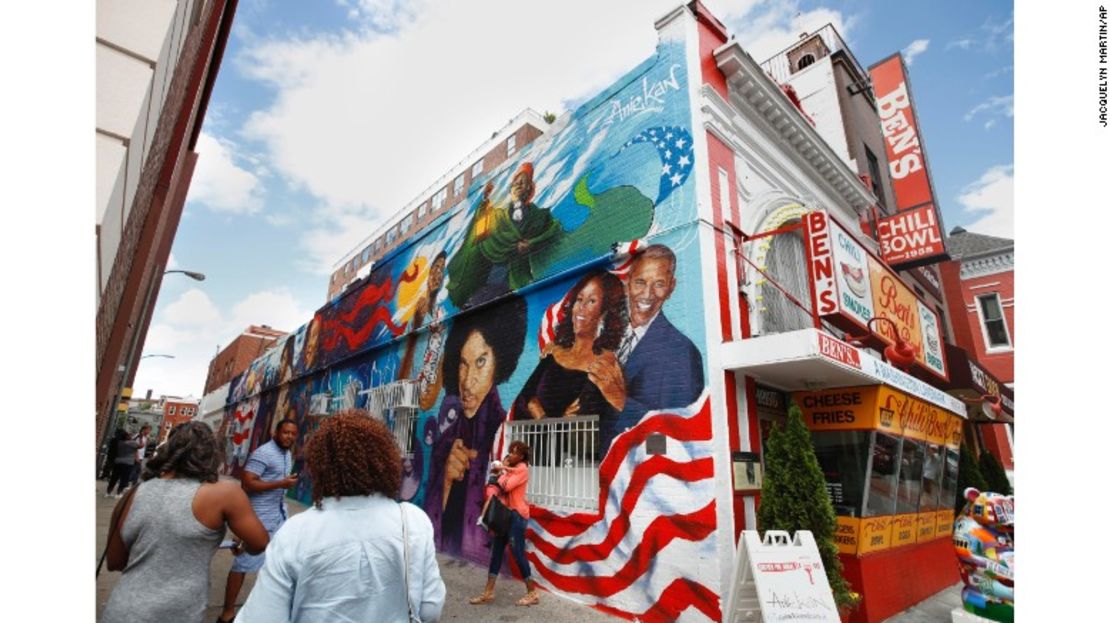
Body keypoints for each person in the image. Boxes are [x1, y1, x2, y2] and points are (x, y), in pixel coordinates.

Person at [236, 412, 446, 622]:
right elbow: (430, 610)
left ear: (320, 464)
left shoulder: (296, 533)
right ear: (385, 460)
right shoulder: (412, 522)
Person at [100, 422, 269, 623]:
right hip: (177, 614)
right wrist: (241, 545)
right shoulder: (225, 493)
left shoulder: (133, 494)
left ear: (168, 450)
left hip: (122, 610)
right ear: (211, 454)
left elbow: (115, 562)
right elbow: (259, 543)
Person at [425, 296, 526, 561]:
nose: (467, 382)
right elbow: (429, 526)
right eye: (463, 363)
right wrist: (446, 481)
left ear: (498, 364)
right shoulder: (445, 442)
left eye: (481, 361)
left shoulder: (505, 440)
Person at [594, 244, 704, 452]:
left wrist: (621, 401)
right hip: (593, 469)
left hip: (633, 471)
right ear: (627, 283)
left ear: (672, 287)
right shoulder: (607, 337)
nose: (647, 294)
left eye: (659, 284)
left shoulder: (682, 353)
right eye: (640, 282)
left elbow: (674, 435)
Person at [446, 163, 563, 307]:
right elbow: (481, 222)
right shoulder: (499, 216)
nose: (519, 184)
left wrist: (531, 244)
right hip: (494, 278)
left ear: (529, 188)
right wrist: (484, 200)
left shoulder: (539, 216)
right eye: (516, 182)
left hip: (519, 278)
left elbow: (554, 231)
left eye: (524, 182)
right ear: (511, 188)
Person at [218, 419, 300, 623]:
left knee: (280, 560)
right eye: (285, 432)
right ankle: (227, 613)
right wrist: (281, 483)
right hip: (258, 515)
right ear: (276, 432)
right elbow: (248, 482)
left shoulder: (286, 453)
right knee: (243, 563)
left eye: (292, 433)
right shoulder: (264, 453)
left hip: (278, 514)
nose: (289, 436)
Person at [469, 440, 540, 607]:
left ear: (522, 456)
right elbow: (501, 481)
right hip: (506, 516)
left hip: (517, 516)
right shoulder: (512, 469)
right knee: (497, 551)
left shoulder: (522, 469)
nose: (512, 455)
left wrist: (501, 474)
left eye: (515, 452)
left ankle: (532, 592)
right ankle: (488, 591)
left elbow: (506, 486)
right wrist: (503, 473)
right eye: (511, 451)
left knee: (517, 553)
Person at [106, 429, 139, 498]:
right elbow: (141, 445)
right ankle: (118, 493)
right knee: (124, 479)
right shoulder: (132, 443)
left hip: (118, 462)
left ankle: (108, 492)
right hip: (128, 463)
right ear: (127, 437)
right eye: (129, 435)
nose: (131, 436)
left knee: (114, 477)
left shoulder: (119, 443)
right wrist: (139, 437)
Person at [125, 425, 152, 491]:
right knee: (134, 470)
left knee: (137, 471)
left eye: (150, 430)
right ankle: (128, 484)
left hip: (141, 456)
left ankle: (132, 484)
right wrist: (136, 456)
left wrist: (148, 439)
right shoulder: (138, 436)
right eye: (148, 430)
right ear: (144, 429)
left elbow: (145, 446)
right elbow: (134, 446)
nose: (149, 432)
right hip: (135, 455)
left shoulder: (145, 437)